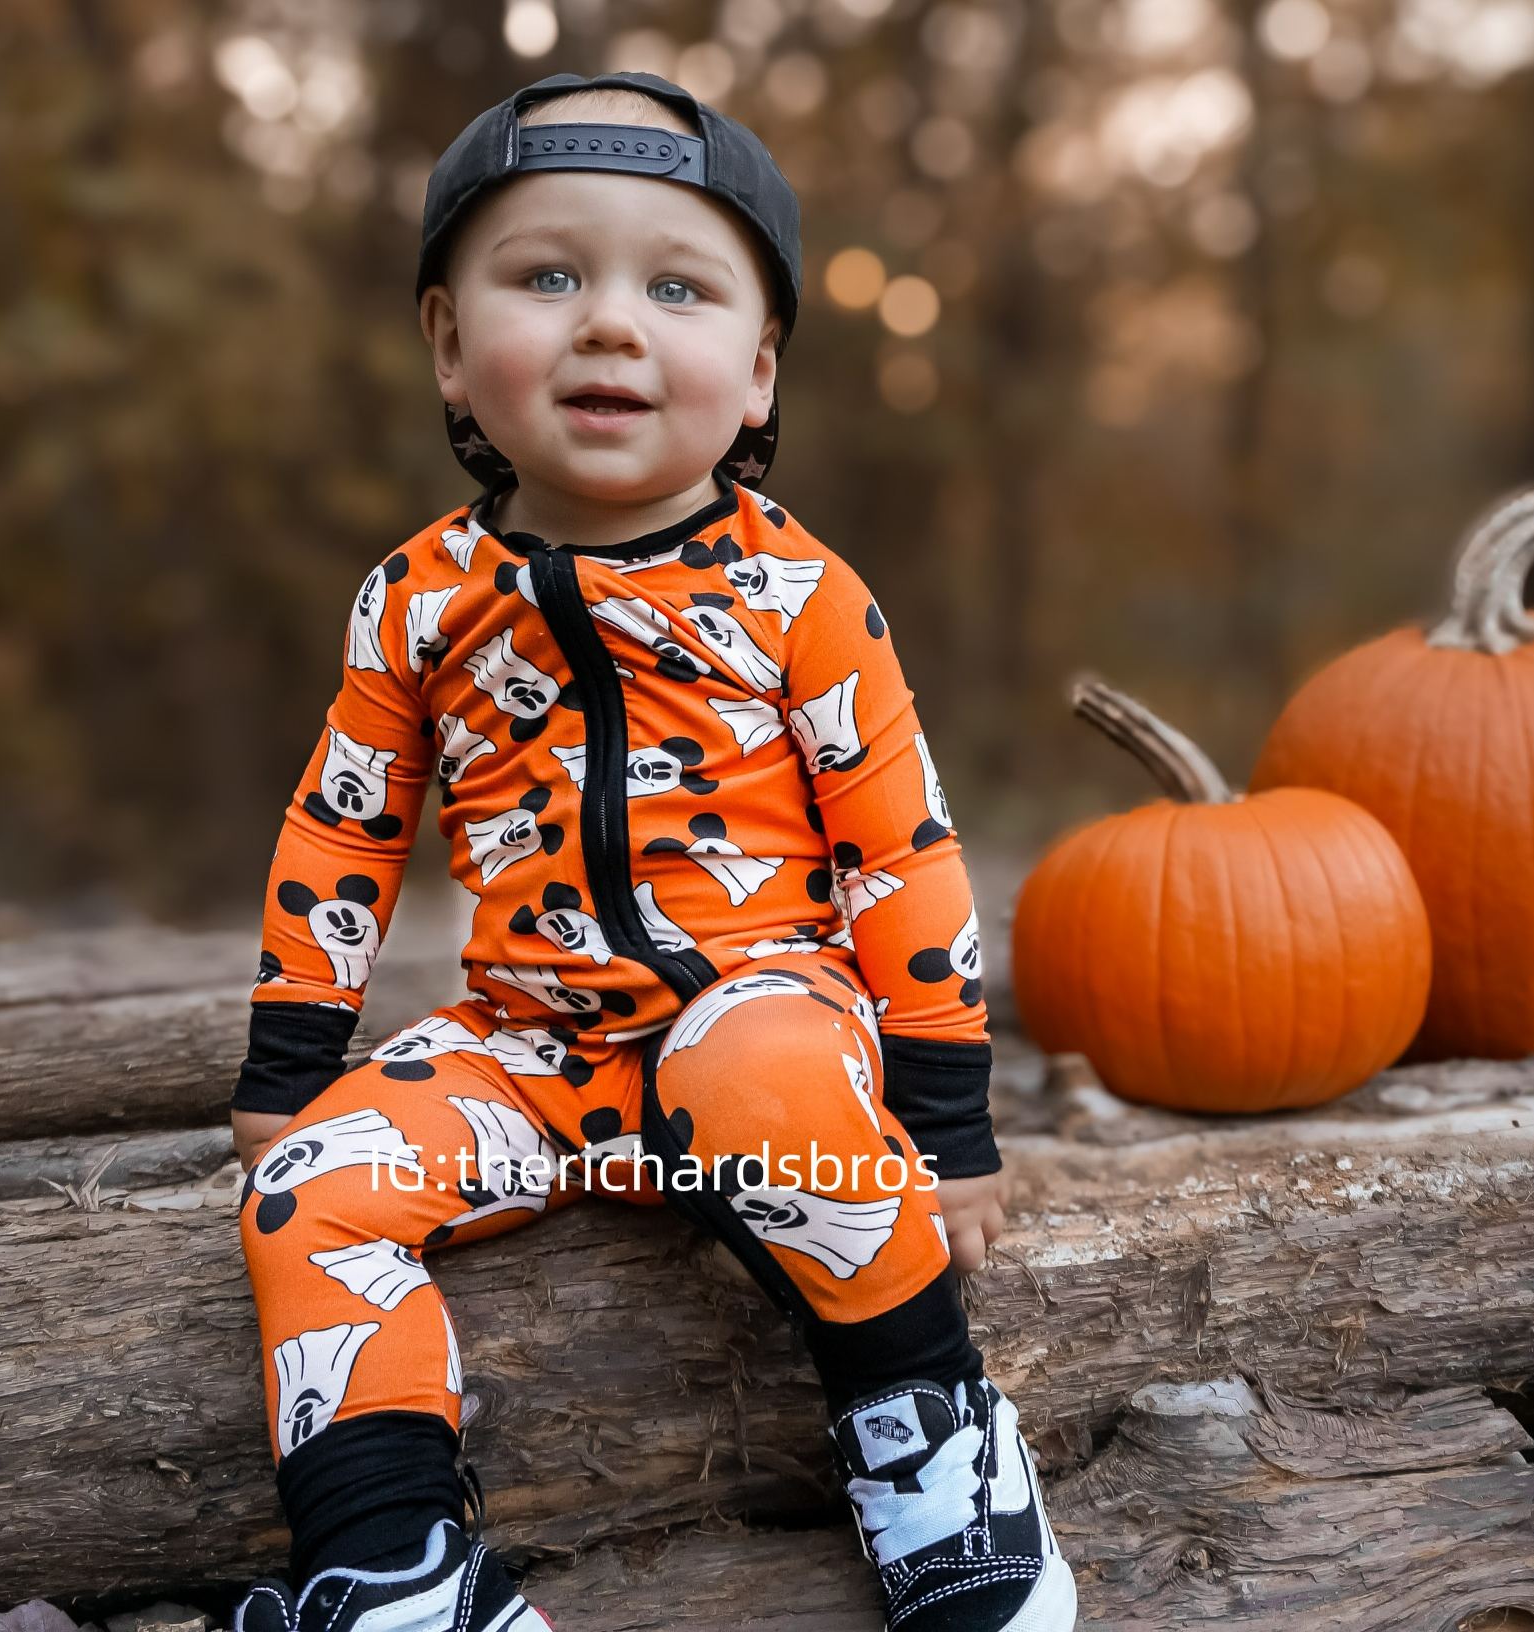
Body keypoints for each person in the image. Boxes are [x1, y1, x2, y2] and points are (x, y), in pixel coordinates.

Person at [227, 69, 1077, 1632]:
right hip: (528, 1061)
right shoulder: (413, 599)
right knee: (309, 1189)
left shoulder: (801, 596)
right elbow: (346, 821)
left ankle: (927, 1437)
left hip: (763, 1022)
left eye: (674, 288)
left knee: (766, 1076)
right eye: (546, 276)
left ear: (757, 374)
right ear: (446, 345)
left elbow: (902, 847)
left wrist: (948, 1120)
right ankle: (391, 1562)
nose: (608, 323)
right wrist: (291, 1068)